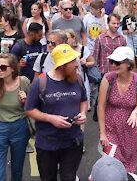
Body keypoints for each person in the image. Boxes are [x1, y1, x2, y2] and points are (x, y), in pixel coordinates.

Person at [25, 44, 87, 181]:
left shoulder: (78, 80)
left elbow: (83, 100)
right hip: (48, 144)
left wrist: (83, 113)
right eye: (73, 61)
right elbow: (29, 110)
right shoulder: (40, 82)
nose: (77, 64)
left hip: (72, 142)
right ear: (62, 65)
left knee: (69, 177)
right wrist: (50, 118)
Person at [97, 46, 137, 172]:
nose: (114, 65)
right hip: (111, 129)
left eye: (118, 62)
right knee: (111, 167)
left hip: (130, 132)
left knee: (127, 169)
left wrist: (136, 112)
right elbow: (101, 106)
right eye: (112, 62)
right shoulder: (108, 79)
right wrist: (102, 133)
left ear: (128, 63)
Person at [0, 54, 30, 181]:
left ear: (13, 69)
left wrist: (26, 100)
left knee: (17, 169)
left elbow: (33, 107)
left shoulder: (23, 82)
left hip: (19, 127)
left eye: (3, 67)